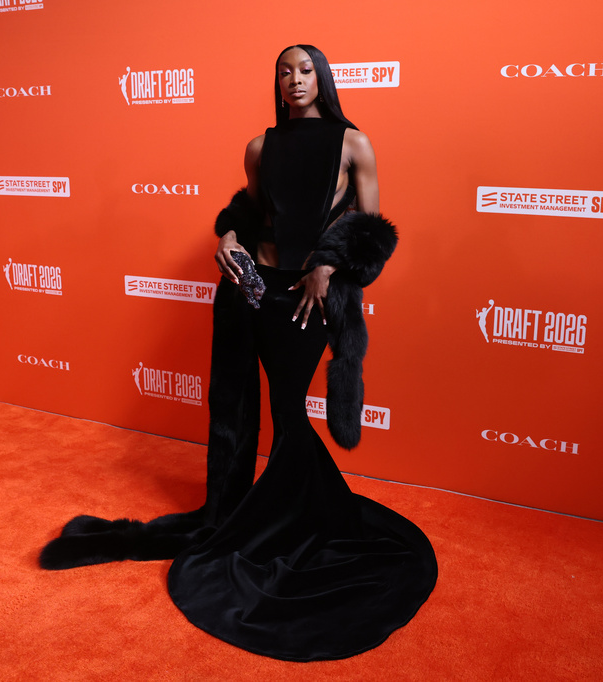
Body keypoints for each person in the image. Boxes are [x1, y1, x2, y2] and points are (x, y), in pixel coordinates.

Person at [40, 44, 438, 662]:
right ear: (275, 83)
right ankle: (251, 510)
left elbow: (372, 228)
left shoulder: (354, 143)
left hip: (307, 299)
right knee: (244, 409)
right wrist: (228, 232)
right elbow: (253, 214)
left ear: (322, 79)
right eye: (285, 71)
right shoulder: (259, 148)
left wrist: (329, 267)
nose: (295, 80)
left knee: (288, 412)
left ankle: (285, 523)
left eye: (306, 70)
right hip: (249, 293)